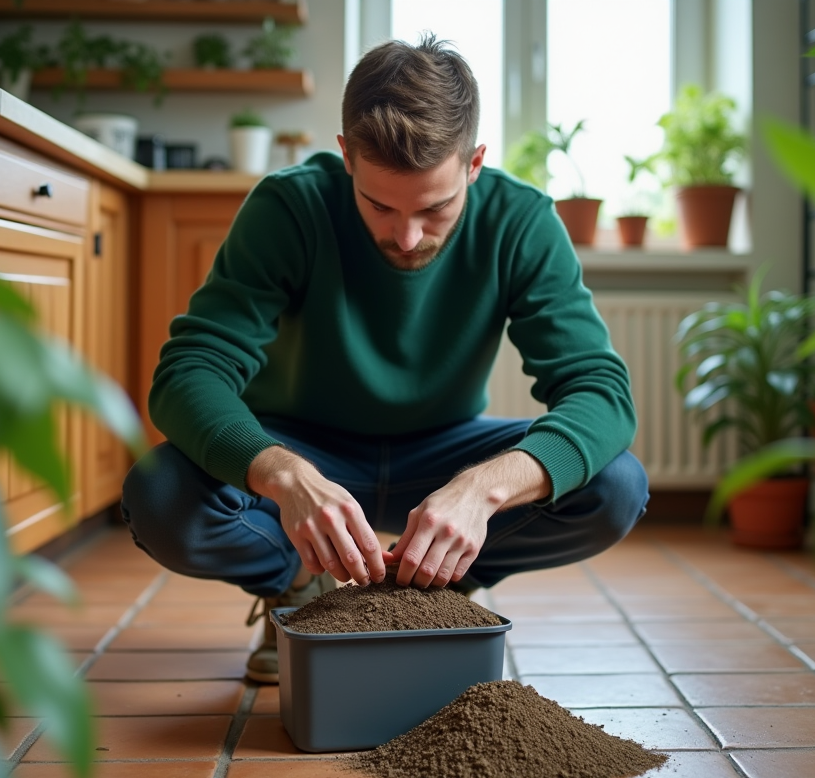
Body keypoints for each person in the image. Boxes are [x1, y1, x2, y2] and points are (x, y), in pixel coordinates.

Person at [121, 33, 649, 684]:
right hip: (302, 444)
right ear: (346, 155)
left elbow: (600, 392)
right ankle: (298, 583)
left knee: (615, 487)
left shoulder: (522, 221)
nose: (407, 236)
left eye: (435, 208)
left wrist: (480, 492)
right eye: (379, 205)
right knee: (160, 494)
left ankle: (441, 579)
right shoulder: (289, 207)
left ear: (474, 163)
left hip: (445, 452)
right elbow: (189, 372)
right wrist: (284, 477)